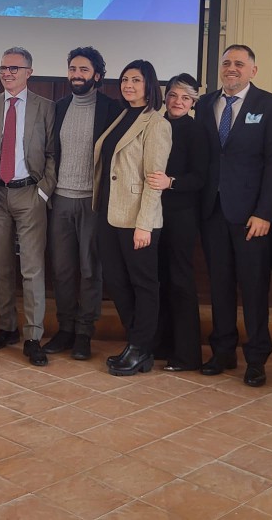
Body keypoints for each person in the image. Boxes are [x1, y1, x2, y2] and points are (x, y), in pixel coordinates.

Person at [194, 44, 272, 387]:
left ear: (253, 70)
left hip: (252, 216)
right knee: (219, 284)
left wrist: (265, 212)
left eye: (239, 64)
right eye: (226, 63)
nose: (231, 68)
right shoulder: (205, 104)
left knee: (254, 287)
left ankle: (257, 357)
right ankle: (222, 351)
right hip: (212, 211)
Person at [0, 47, 56, 367]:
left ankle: (32, 335)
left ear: (29, 72)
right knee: (2, 266)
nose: (7, 73)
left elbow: (52, 154)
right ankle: (7, 327)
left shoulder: (46, 107)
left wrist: (44, 193)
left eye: (14, 68)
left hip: (29, 194)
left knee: (32, 267)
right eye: (3, 68)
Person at [43, 47, 122, 361]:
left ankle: (85, 332)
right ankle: (65, 328)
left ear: (97, 76)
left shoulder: (111, 109)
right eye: (73, 69)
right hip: (60, 200)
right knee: (62, 270)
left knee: (90, 270)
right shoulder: (58, 107)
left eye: (84, 70)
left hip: (93, 202)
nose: (77, 75)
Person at [93, 60, 172, 375]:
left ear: (148, 84)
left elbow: (155, 178)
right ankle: (137, 344)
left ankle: (140, 348)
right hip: (109, 214)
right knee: (116, 281)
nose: (128, 85)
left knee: (143, 284)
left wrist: (145, 224)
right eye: (125, 79)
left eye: (136, 80)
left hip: (137, 219)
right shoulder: (123, 115)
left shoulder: (156, 123)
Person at [146, 73, 209, 371]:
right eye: (173, 95)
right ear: (165, 96)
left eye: (186, 97)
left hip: (182, 214)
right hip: (153, 212)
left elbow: (200, 178)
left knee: (181, 281)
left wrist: (171, 182)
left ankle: (187, 354)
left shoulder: (197, 131)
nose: (178, 102)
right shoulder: (155, 124)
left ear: (194, 102)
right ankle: (162, 344)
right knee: (158, 280)